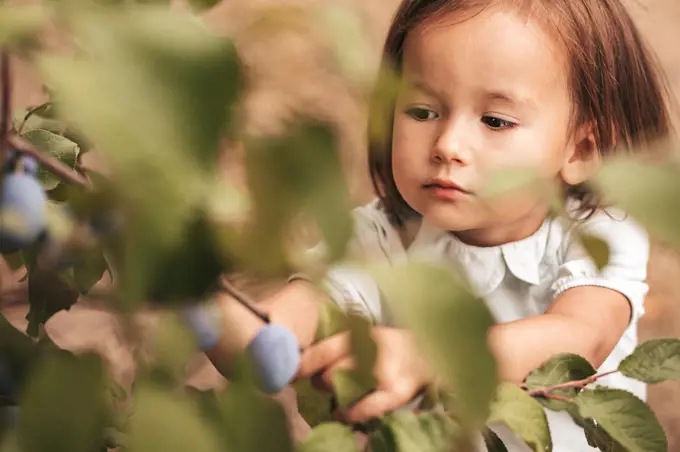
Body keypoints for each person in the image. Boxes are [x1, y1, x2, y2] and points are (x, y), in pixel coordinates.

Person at [195, 0, 674, 450]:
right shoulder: (381, 237)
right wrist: (210, 313)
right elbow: (286, 326)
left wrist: (429, 355)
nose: (448, 144)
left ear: (581, 151)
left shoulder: (596, 232)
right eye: (422, 112)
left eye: (495, 120)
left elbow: (580, 336)